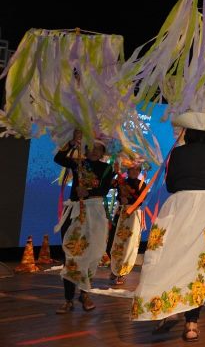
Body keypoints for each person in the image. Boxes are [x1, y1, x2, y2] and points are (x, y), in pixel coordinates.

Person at [131, 111, 205, 342]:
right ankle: (192, 324)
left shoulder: (178, 152)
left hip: (181, 203)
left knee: (168, 256)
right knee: (199, 263)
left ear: (190, 133)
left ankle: (168, 309)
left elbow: (171, 184)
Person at [54, 130, 115, 314]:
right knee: (72, 254)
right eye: (92, 148)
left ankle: (84, 293)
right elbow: (59, 158)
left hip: (95, 213)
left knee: (91, 254)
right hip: (75, 212)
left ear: (103, 152)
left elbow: (104, 190)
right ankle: (68, 299)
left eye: (99, 148)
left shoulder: (106, 169)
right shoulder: (78, 163)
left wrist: (87, 192)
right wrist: (73, 142)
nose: (95, 151)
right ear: (86, 149)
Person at [107, 159, 146, 285]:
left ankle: (122, 273)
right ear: (127, 170)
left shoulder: (142, 184)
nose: (134, 172)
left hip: (134, 215)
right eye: (131, 169)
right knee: (113, 241)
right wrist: (116, 171)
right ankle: (114, 269)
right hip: (121, 213)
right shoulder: (120, 181)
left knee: (129, 245)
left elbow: (141, 201)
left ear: (139, 171)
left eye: (136, 169)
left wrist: (129, 200)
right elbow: (108, 184)